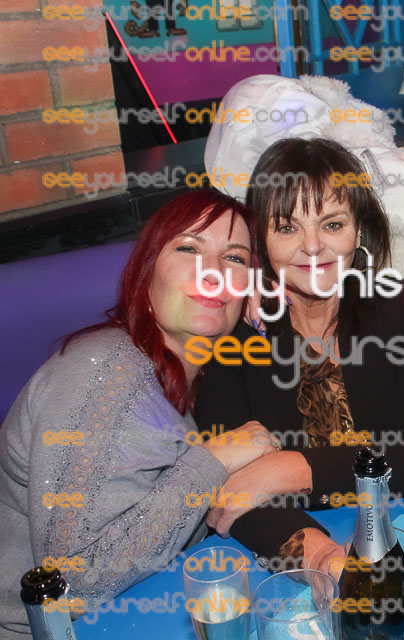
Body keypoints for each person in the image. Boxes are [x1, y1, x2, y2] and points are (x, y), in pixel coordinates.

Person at [0, 190, 275, 636]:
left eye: (235, 258)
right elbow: (71, 582)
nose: (213, 272)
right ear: (146, 275)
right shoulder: (106, 370)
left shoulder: (189, 378)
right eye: (189, 248)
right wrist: (215, 460)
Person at [194, 138, 404, 575]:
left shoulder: (400, 307)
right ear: (260, 241)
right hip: (286, 550)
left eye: (332, 224)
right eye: (286, 228)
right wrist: (320, 557)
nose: (313, 247)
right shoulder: (232, 334)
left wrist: (290, 469)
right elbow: (232, 496)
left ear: (358, 230)